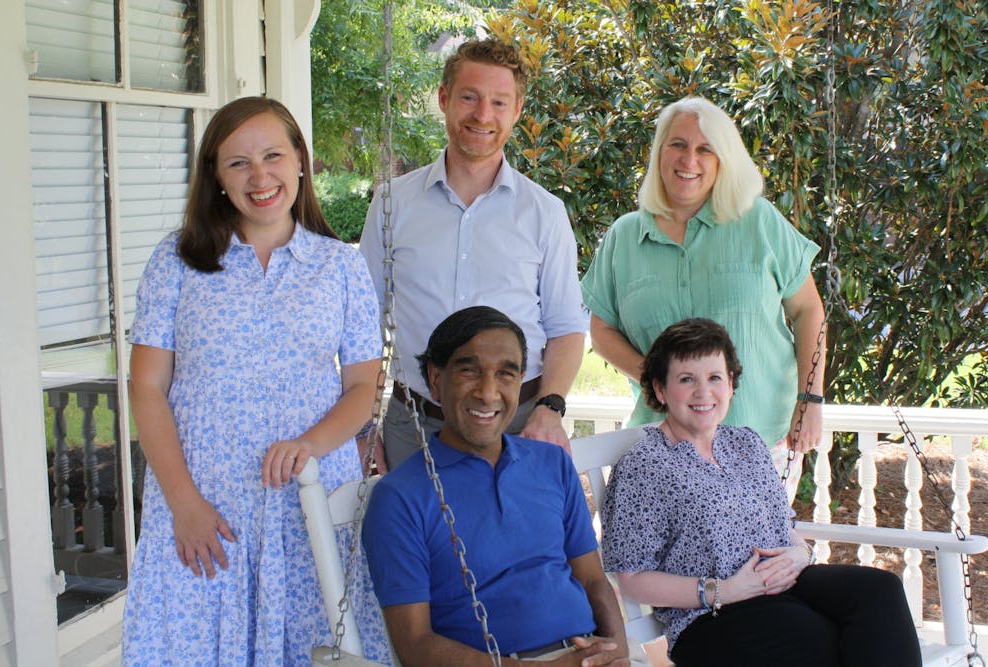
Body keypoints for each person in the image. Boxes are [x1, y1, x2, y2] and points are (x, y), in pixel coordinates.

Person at [122, 96, 389, 665]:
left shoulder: (340, 266)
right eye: (238, 162)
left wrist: (309, 446)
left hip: (308, 504)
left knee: (318, 643)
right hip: (205, 509)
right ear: (216, 177)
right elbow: (146, 389)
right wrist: (183, 502)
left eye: (273, 155)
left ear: (300, 161)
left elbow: (364, 388)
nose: (259, 175)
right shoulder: (177, 261)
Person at [601, 318, 921, 667]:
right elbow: (632, 579)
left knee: (880, 590)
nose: (703, 392)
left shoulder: (746, 444)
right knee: (822, 638)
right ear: (660, 390)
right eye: (686, 379)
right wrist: (726, 590)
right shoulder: (644, 465)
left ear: (731, 385)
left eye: (714, 378)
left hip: (787, 584)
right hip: (712, 618)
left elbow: (784, 529)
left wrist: (801, 555)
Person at [361, 306, 645, 666]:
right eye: (469, 371)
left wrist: (617, 651)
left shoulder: (551, 464)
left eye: (506, 375)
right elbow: (415, 645)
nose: (488, 392)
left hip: (589, 655)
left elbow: (592, 580)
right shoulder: (401, 498)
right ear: (435, 378)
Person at [580, 96, 826, 499]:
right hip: (661, 445)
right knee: (671, 561)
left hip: (760, 436)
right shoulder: (624, 237)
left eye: (704, 149)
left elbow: (808, 309)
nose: (688, 159)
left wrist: (810, 399)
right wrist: (654, 377)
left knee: (761, 559)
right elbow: (602, 328)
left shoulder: (759, 222)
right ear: (660, 152)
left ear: (722, 160)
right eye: (677, 144)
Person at [359, 38, 585, 469]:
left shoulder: (545, 213)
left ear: (517, 111)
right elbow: (364, 326)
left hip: (518, 425)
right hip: (415, 427)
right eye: (469, 97)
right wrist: (366, 428)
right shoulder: (392, 204)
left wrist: (549, 408)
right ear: (444, 99)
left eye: (499, 102)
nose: (483, 115)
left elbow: (567, 328)